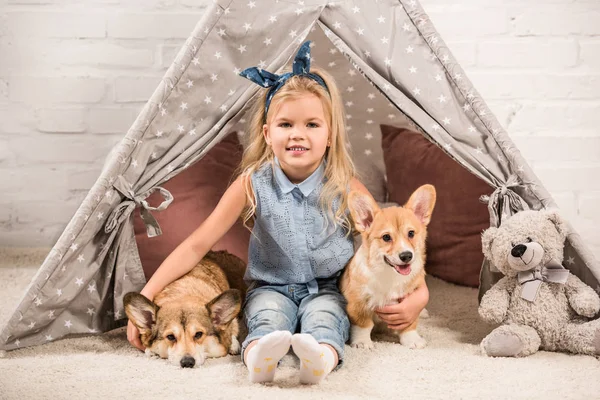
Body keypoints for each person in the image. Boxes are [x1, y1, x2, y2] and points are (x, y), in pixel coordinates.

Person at [127, 41, 429, 384]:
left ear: (330, 135)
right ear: (268, 134)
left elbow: (391, 240)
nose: (298, 134)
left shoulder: (344, 184)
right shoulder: (252, 183)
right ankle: (260, 358)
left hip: (328, 287)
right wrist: (148, 296)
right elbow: (197, 245)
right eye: (286, 124)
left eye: (312, 125)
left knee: (327, 319)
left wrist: (420, 295)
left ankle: (320, 360)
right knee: (266, 318)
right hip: (271, 287)